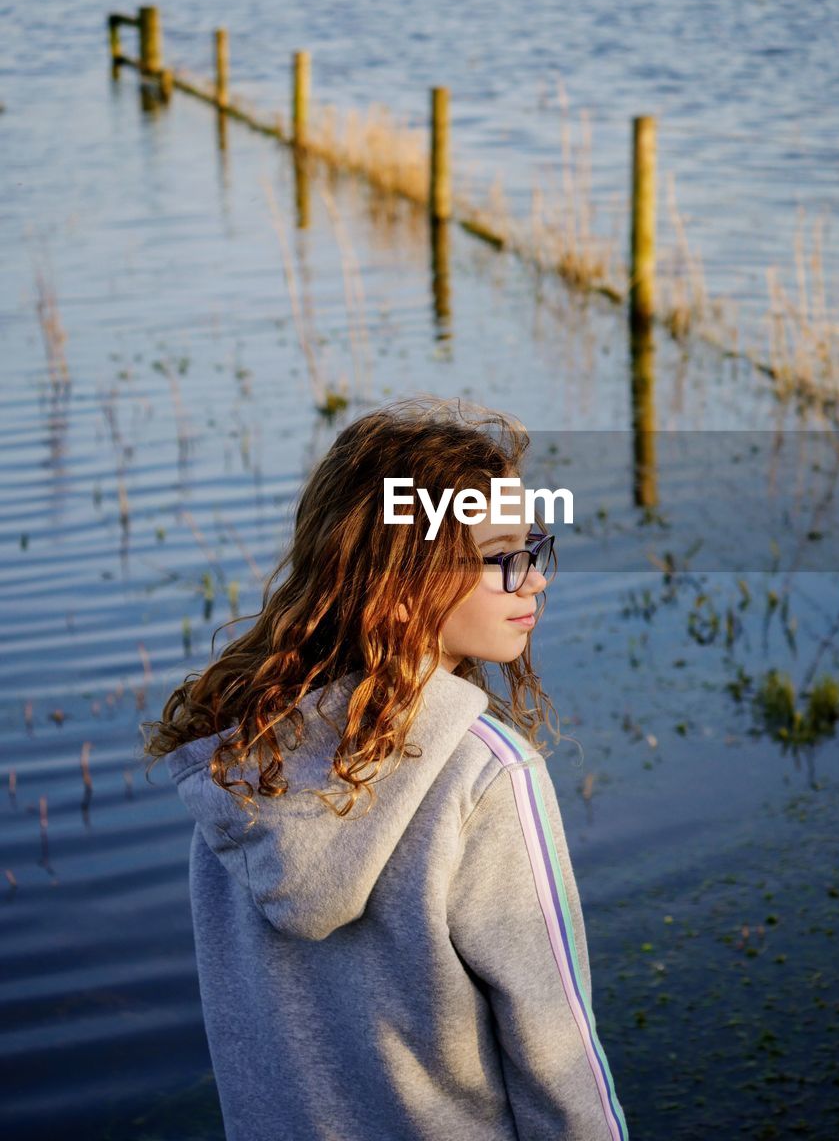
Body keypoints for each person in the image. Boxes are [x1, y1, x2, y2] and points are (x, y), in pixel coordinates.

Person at [141, 396, 629, 1141]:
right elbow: (556, 1055)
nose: (534, 579)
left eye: (530, 545)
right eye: (499, 557)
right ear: (401, 588)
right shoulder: (485, 775)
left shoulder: (242, 765)